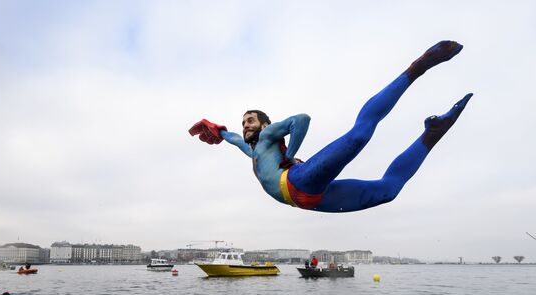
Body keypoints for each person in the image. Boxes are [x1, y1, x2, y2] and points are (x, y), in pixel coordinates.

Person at [189, 41, 472, 212]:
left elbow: (301, 120)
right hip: (310, 200)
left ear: (264, 124)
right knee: (387, 192)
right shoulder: (253, 150)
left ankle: (417, 68)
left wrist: (291, 154)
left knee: (358, 136)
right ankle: (432, 134)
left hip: (298, 180)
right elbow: (235, 138)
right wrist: (220, 130)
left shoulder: (268, 134)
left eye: (250, 120)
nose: (246, 125)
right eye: (244, 122)